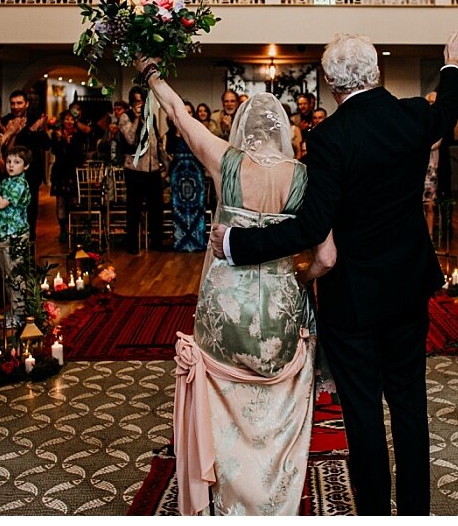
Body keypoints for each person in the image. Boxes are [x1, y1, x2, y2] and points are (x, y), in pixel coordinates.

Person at [213, 27, 458, 515]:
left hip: (353, 299)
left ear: (331, 84)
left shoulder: (330, 138)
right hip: (407, 288)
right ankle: (416, 513)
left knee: (363, 413)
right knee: (409, 405)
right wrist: (451, 64)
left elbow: (312, 225)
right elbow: (447, 108)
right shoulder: (411, 116)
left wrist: (238, 241)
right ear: (376, 73)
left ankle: (377, 513)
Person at [133, 53, 334, 516]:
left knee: (225, 405)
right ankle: (274, 498)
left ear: (242, 127)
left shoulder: (223, 159)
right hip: (281, 312)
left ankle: (227, 498)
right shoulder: (304, 176)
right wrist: (297, 277)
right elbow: (327, 256)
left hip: (224, 309)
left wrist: (151, 74)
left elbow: (180, 115)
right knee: (279, 408)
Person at [119, 85, 166, 253]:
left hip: (152, 169)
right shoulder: (125, 117)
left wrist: (164, 163)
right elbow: (130, 139)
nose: (140, 104)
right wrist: (138, 119)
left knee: (156, 207)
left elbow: (156, 141)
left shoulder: (151, 116)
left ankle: (157, 242)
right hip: (134, 170)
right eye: (138, 101)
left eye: (143, 101)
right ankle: (132, 243)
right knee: (134, 208)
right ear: (132, 102)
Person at [0, 145, 33, 320]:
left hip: (14, 236)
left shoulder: (20, 184)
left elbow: (1, 203)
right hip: (3, 234)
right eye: (8, 161)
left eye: (17, 162)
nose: (11, 165)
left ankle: (19, 312)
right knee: (7, 275)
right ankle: (14, 310)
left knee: (15, 275)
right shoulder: (7, 182)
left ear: (26, 166)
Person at [2, 89, 51, 235]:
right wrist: (30, 130)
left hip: (31, 175)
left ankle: (29, 247)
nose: (16, 106)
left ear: (26, 104)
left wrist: (38, 129)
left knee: (30, 213)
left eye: (19, 103)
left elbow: (47, 145)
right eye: (13, 103)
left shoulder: (35, 119)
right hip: (9, 175)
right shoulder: (6, 121)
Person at [167, 102, 206, 251]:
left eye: (190, 112)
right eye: (185, 112)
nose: (187, 115)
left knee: (197, 210)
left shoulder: (198, 132)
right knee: (179, 211)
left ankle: (197, 242)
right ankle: (181, 242)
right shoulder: (170, 134)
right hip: (178, 177)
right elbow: (168, 152)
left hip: (196, 176)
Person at [49, 113, 88, 244]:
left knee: (74, 201)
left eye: (72, 119)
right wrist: (61, 140)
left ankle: (75, 230)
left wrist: (70, 143)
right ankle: (63, 230)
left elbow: (80, 155)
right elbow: (54, 150)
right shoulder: (57, 134)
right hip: (60, 172)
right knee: (60, 202)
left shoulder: (78, 135)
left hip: (73, 172)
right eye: (67, 119)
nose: (69, 122)